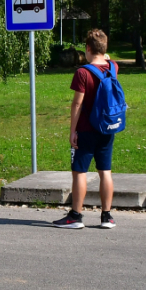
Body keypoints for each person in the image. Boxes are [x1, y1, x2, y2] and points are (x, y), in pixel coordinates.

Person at [55, 29, 116, 229]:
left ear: (87, 49)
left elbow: (77, 104)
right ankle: (107, 216)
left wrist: (73, 131)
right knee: (105, 171)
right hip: (107, 128)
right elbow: (107, 58)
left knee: (79, 172)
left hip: (86, 129)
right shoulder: (113, 67)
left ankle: (76, 216)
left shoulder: (83, 72)